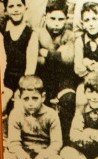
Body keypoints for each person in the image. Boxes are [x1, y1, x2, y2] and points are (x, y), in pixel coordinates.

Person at [4, 75, 66, 159]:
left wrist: (39, 158)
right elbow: (14, 144)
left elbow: (56, 143)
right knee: (5, 158)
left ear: (43, 97)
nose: (30, 103)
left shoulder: (51, 114)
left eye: (35, 98)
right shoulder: (16, 113)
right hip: (23, 156)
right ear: (19, 97)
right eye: (26, 99)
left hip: (43, 157)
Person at [35, 0, 78, 137]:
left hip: (64, 79)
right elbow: (35, 60)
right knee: (39, 100)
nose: (56, 22)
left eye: (61, 19)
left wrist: (46, 53)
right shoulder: (37, 33)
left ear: (66, 19)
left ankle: (65, 140)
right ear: (45, 17)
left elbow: (68, 58)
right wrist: (58, 55)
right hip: (43, 79)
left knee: (69, 99)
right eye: (52, 18)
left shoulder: (70, 35)